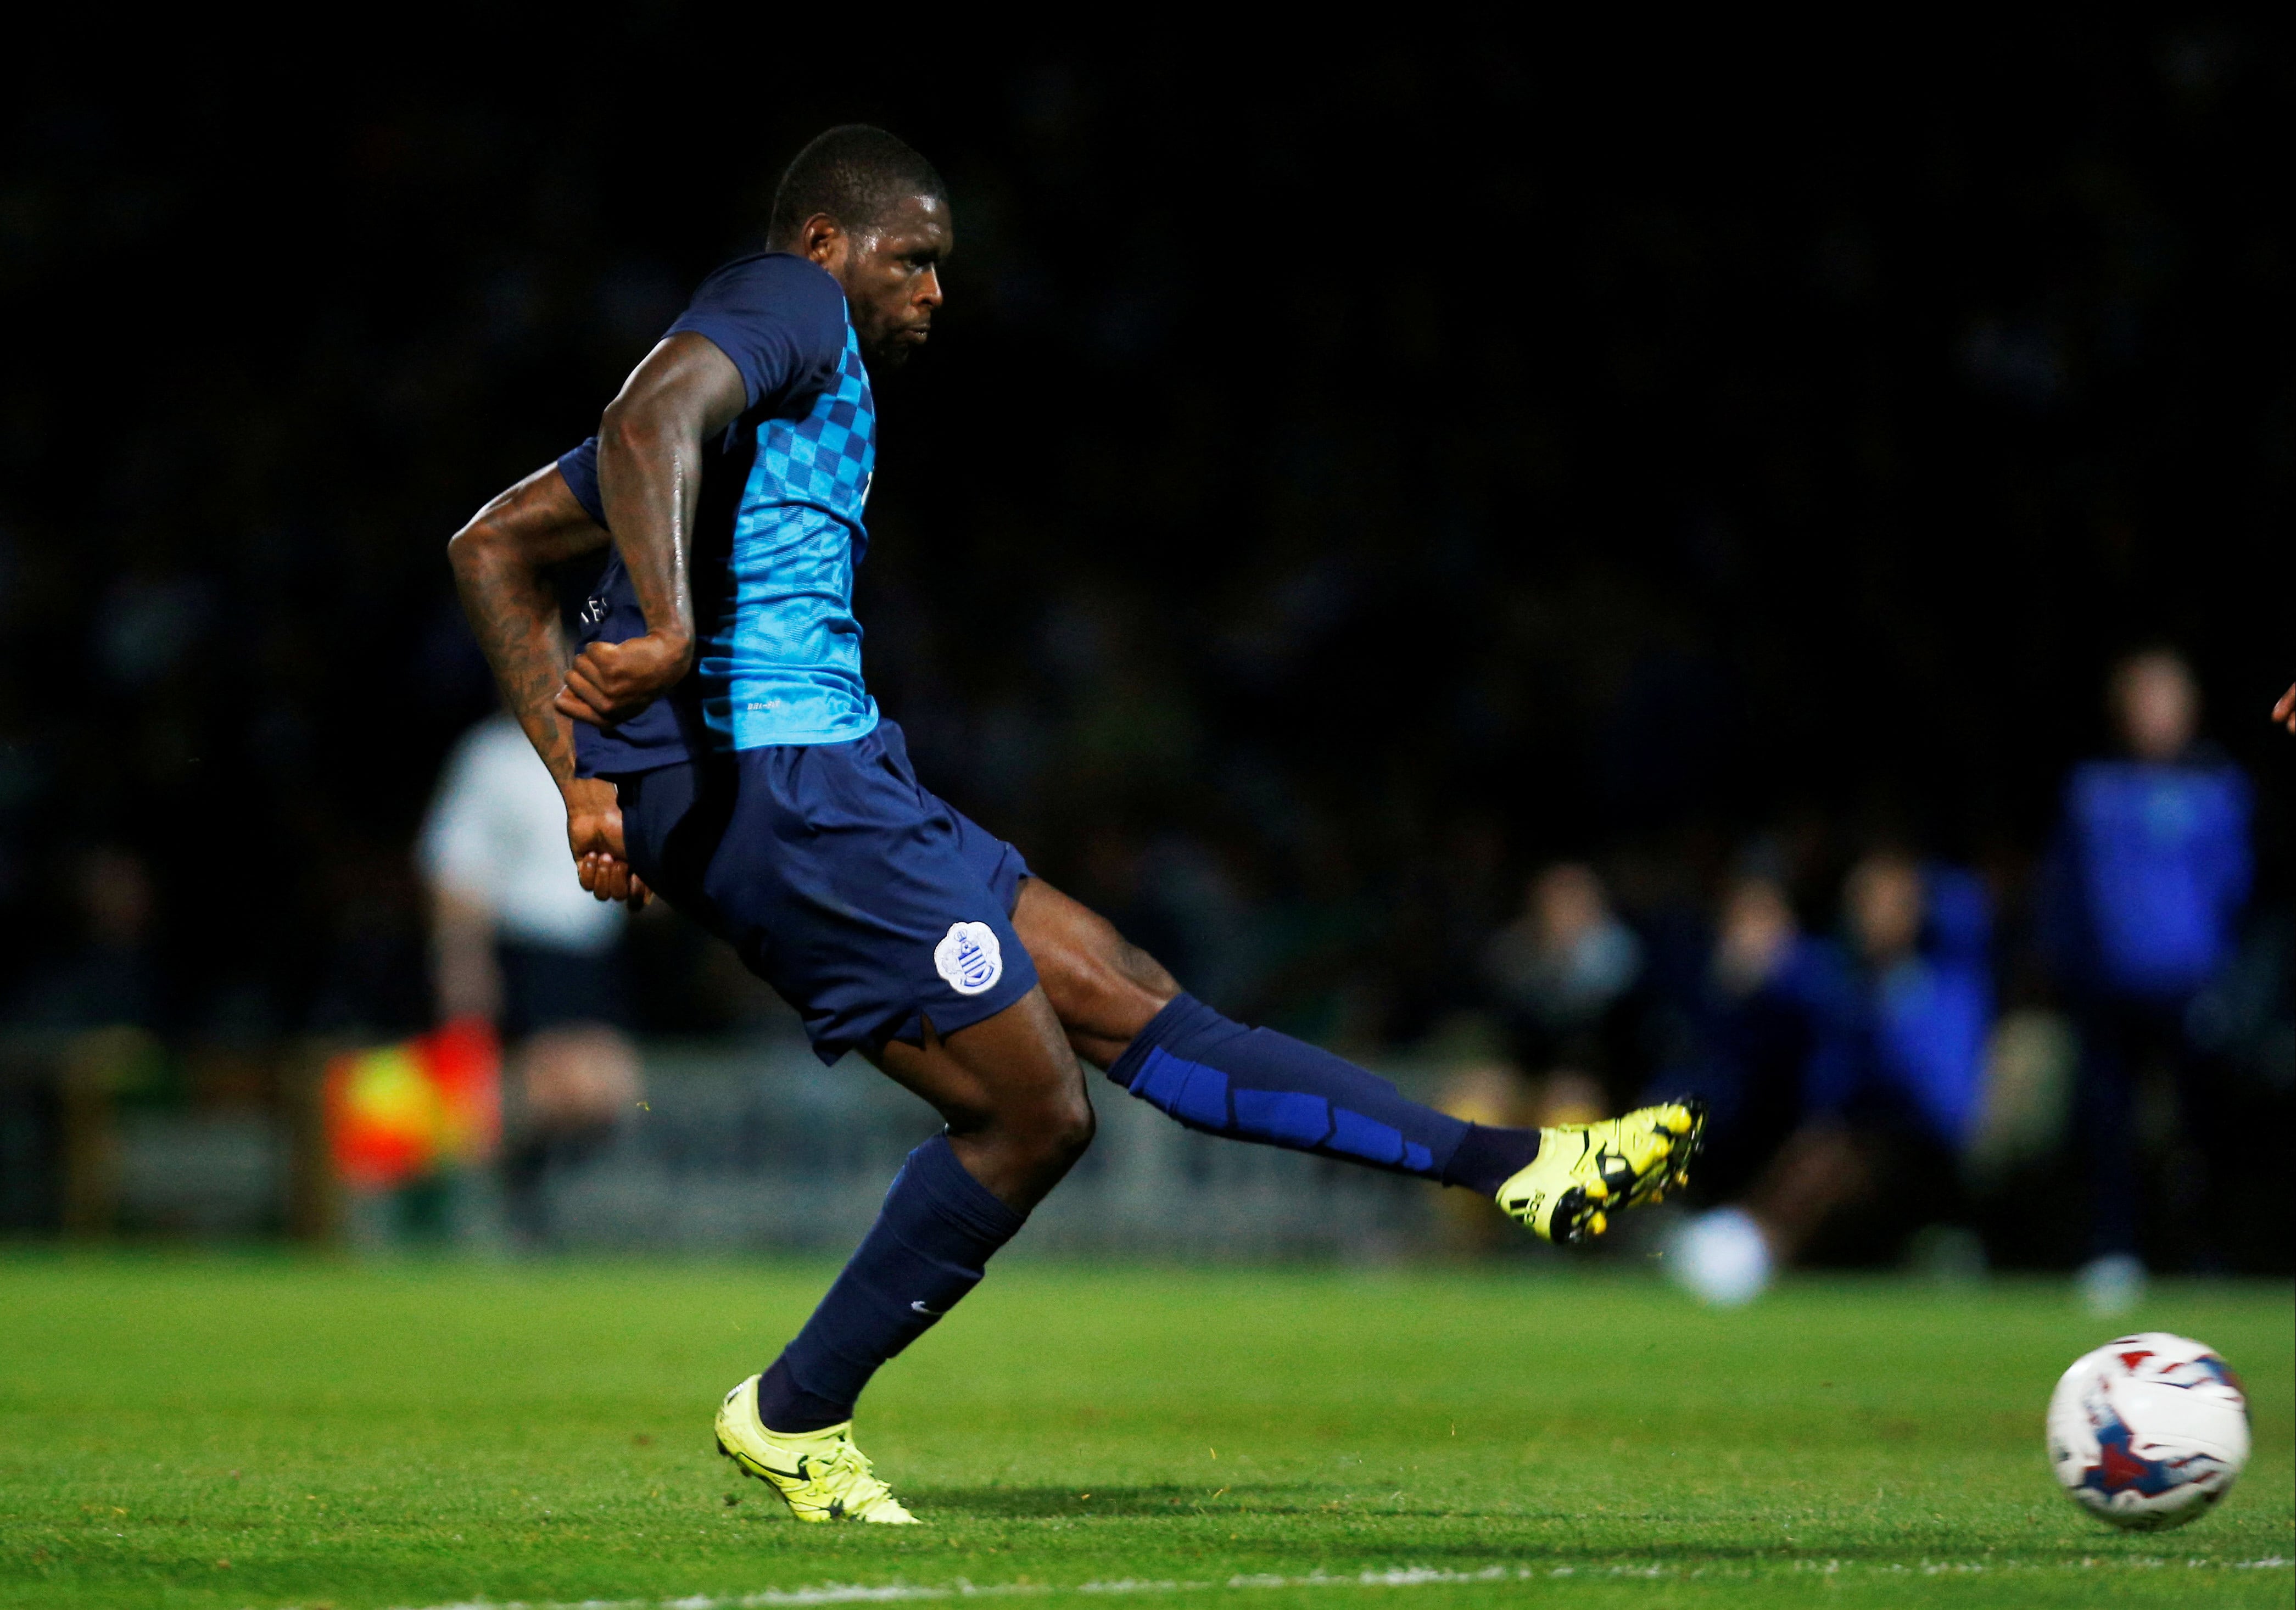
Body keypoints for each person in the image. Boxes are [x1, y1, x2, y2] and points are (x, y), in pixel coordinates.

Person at [445, 125, 1702, 1524]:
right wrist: (669, 644)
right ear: (825, 245)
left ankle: (1516, 1164)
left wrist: (585, 777)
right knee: (1034, 1110)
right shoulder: (783, 302)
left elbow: (491, 545)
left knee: (1125, 994)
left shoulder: (769, 409)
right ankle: (792, 1409)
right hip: (788, 781)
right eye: (913, 257)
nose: (933, 291)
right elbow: (642, 419)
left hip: (841, 768)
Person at [2041, 649, 2250, 1313]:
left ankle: (2203, 1252)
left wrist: (2227, 979)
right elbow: (2065, 890)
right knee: (2106, 1127)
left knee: (2199, 1132)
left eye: (2166, 700)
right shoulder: (2091, 788)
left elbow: (2236, 890)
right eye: (2142, 700)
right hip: (2107, 989)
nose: (2154, 715)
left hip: (2191, 989)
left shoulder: (2218, 789)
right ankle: (2112, 1250)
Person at [418, 710, 644, 1245]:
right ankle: (478, 1193)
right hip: (525, 941)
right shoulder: (491, 755)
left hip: (590, 944)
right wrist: (460, 958)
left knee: (611, 1091)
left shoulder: (606, 751)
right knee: (551, 1087)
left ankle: (521, 1193)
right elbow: (455, 865)